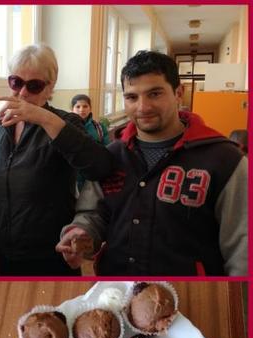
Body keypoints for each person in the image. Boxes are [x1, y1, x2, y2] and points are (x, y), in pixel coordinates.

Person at [57, 51, 247, 276]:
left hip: (190, 295)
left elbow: (242, 246)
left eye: (155, 94)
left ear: (178, 93)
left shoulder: (225, 160)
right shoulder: (111, 155)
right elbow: (93, 214)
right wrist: (81, 232)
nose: (142, 107)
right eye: (132, 97)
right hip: (116, 289)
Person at [0, 44, 113, 275]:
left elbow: (99, 166)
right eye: (16, 82)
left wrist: (42, 117)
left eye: (34, 85)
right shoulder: (5, 125)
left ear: (50, 87)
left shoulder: (65, 122)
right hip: (7, 246)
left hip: (51, 252)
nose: (22, 93)